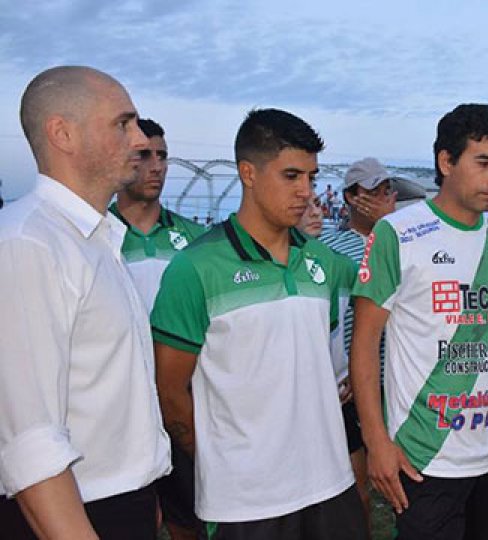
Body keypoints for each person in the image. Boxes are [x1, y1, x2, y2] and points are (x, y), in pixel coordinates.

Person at [151, 108, 367, 539]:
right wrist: (222, 459)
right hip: (245, 502)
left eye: (311, 176)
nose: (307, 191)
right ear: (248, 173)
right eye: (291, 176)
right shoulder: (194, 268)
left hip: (331, 482)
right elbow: (171, 392)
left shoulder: (321, 260)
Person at [0, 66, 170, 539]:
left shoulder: (94, 241)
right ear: (63, 134)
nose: (139, 139)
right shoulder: (28, 243)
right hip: (70, 514)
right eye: (123, 123)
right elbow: (29, 444)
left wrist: (142, 494)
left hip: (116, 504)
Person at [351, 103, 488, 540]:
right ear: (445, 162)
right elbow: (364, 342)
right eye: (483, 163)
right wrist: (376, 442)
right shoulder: (398, 233)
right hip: (423, 455)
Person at [109, 117, 206, 539]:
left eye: (163, 156)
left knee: (194, 521)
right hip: (120, 413)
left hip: (186, 404)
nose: (157, 166)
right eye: (144, 155)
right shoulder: (98, 236)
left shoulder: (199, 239)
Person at [318, 156, 400, 529]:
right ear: (351, 197)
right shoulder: (331, 244)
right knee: (357, 486)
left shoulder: (403, 238)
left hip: (401, 379)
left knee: (408, 475)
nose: (384, 196)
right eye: (373, 191)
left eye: (387, 189)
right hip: (357, 380)